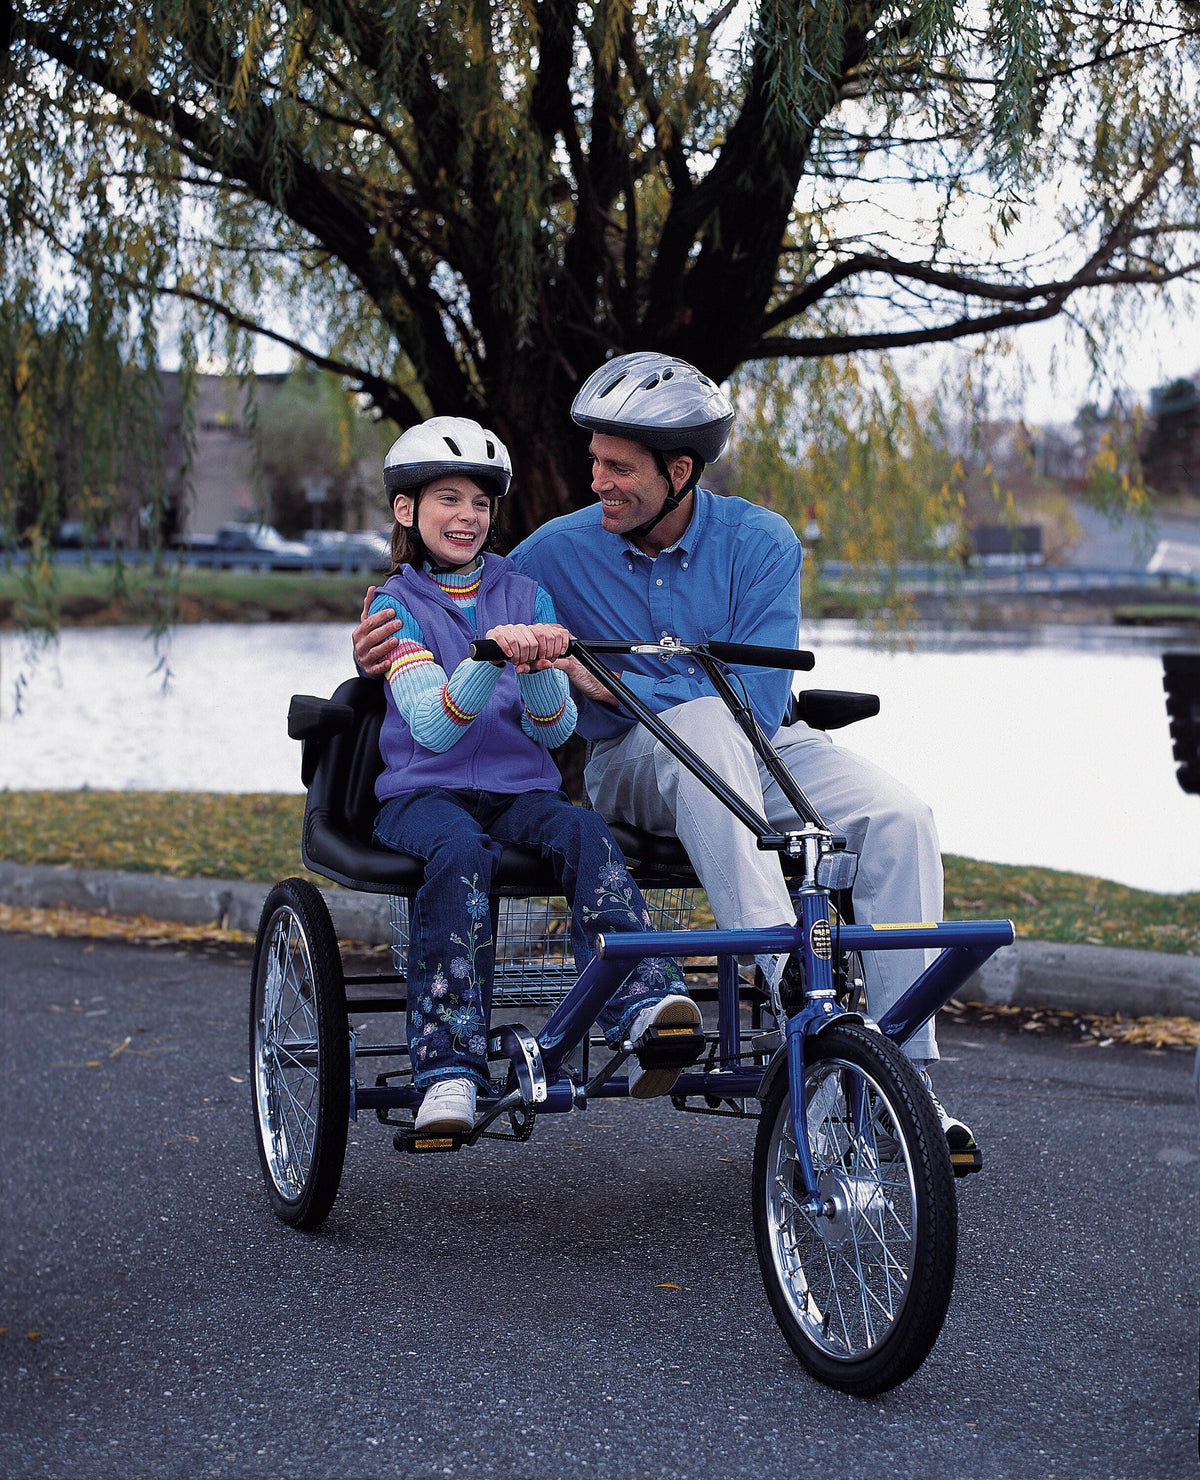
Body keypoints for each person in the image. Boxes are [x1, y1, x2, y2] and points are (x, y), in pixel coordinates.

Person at [355, 364, 973, 1153]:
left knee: (897, 815)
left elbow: (752, 697)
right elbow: (459, 596)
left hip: (763, 740)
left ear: (678, 473)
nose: (597, 481)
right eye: (595, 462)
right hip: (635, 764)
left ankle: (902, 1077)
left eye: (618, 468)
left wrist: (600, 676)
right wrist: (373, 641)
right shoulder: (554, 553)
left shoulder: (761, 542)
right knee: (705, 723)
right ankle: (792, 994)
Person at [367, 414, 698, 1136]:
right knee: (458, 853)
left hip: (520, 791)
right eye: (448, 499)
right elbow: (431, 725)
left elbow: (555, 730)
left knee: (582, 829)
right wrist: (487, 659)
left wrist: (548, 665)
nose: (467, 517)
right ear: (406, 510)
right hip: (422, 794)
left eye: (480, 503)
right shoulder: (397, 606)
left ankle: (643, 1005)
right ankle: (448, 1070)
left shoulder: (525, 594)